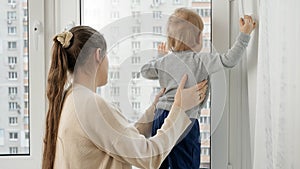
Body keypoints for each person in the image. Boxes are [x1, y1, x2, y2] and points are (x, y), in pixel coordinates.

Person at [42, 25, 208, 169]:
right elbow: (149, 157)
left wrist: (153, 109)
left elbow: (121, 142)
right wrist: (179, 109)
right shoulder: (91, 105)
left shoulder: (71, 98)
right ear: (98, 55)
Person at [141, 8, 256, 169]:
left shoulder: (165, 61)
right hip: (184, 121)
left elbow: (145, 71)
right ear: (198, 38)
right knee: (186, 164)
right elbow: (229, 60)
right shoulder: (200, 60)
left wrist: (160, 59)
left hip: (160, 117)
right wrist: (244, 35)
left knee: (159, 162)